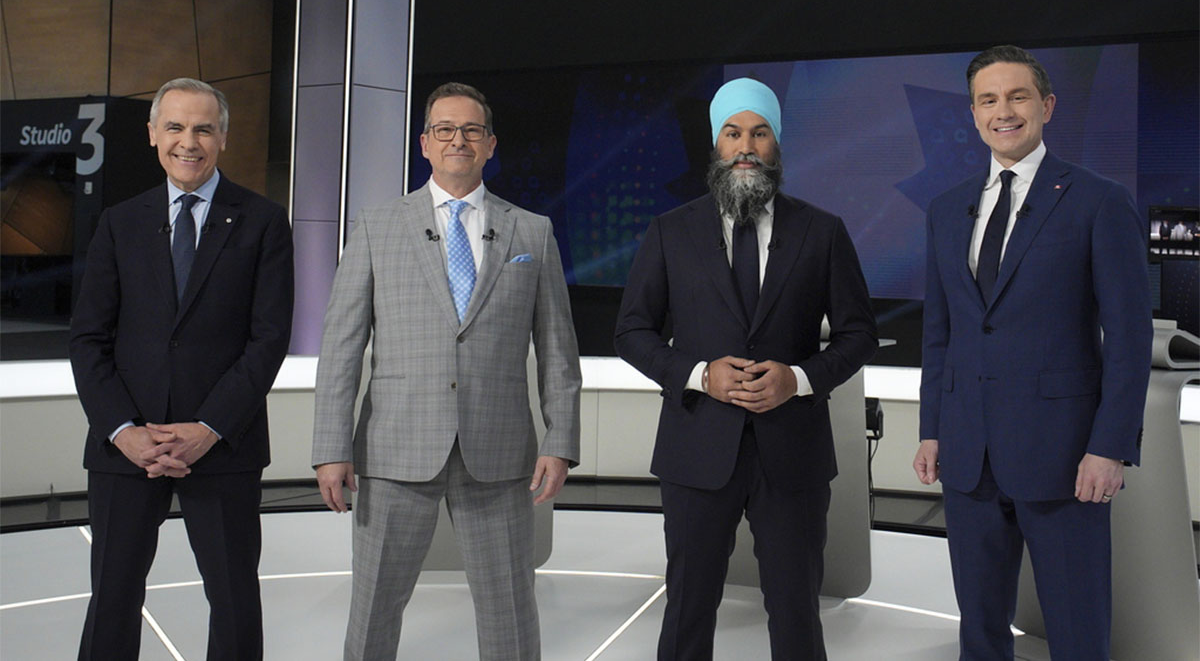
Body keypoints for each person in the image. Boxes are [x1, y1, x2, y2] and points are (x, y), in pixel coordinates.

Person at [312, 82, 581, 661]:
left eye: (471, 131)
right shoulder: (377, 227)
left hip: (500, 453)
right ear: (425, 145)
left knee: (510, 610)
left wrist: (561, 441)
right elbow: (341, 346)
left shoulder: (531, 231)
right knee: (374, 608)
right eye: (445, 130)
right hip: (392, 450)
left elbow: (559, 351)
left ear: (490, 145)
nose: (458, 140)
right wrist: (331, 446)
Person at [614, 77, 877, 660]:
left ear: (777, 145)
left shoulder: (822, 231)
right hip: (696, 449)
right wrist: (698, 373)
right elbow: (631, 332)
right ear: (716, 145)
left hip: (793, 454)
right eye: (733, 133)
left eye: (760, 133)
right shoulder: (670, 231)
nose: (746, 146)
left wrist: (800, 379)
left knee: (795, 612)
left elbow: (859, 335)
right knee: (687, 606)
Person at [913, 45, 1152, 660]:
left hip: (1066, 457)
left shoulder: (1099, 201)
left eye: (1017, 96)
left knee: (1077, 631)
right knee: (980, 631)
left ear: (1045, 105)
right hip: (968, 456)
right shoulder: (946, 211)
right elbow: (940, 335)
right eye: (988, 100)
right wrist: (931, 430)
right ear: (972, 115)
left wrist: (1109, 446)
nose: (1004, 111)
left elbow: (1128, 339)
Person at [69, 77, 294, 660]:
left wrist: (207, 428)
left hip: (222, 447)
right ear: (152, 135)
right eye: (174, 126)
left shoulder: (263, 222)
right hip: (127, 450)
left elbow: (267, 341)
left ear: (222, 137)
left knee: (234, 600)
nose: (187, 141)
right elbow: (89, 339)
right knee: (112, 598)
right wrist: (124, 431)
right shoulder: (119, 223)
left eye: (202, 128)